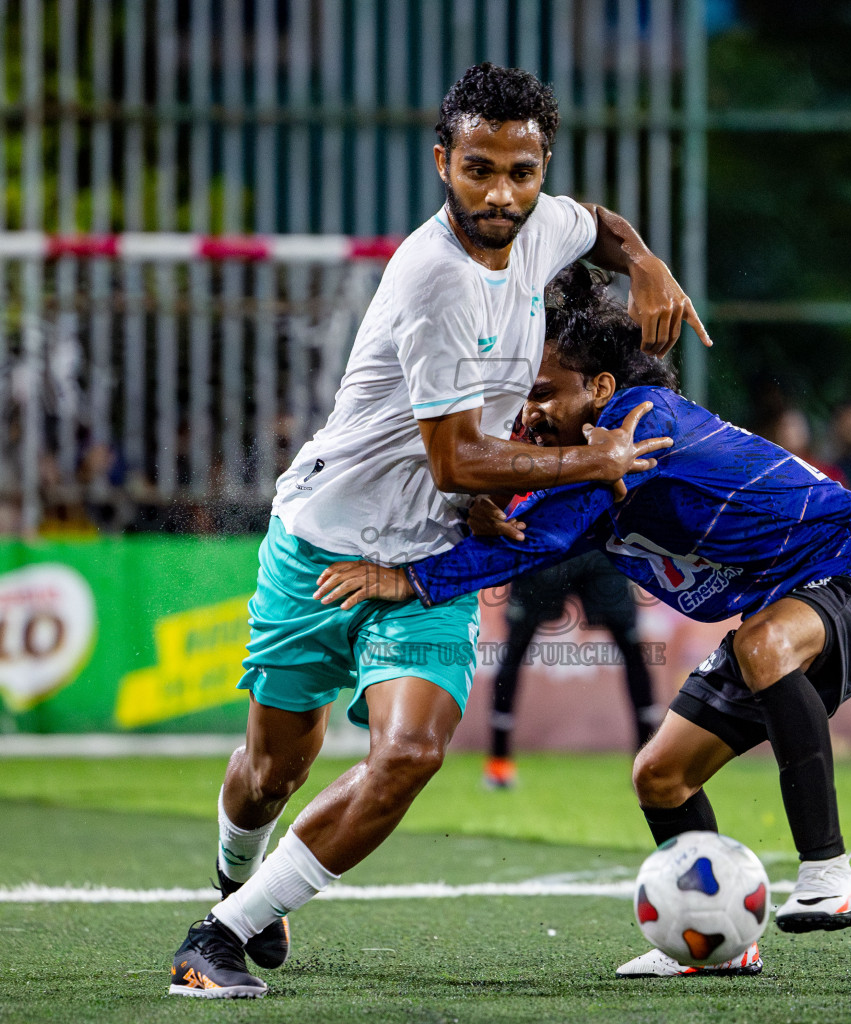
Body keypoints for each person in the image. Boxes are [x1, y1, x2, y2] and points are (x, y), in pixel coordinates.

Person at [167, 63, 709, 999]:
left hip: (429, 559)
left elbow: (606, 229)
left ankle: (219, 934)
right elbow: (460, 460)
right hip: (323, 543)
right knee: (269, 771)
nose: (501, 193)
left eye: (522, 171)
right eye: (478, 169)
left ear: (542, 166)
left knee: (411, 752)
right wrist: (594, 462)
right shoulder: (433, 280)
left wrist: (649, 264)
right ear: (441, 163)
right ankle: (235, 872)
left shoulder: (542, 227)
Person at [315, 274, 851, 980]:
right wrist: (479, 505)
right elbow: (508, 509)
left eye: (543, 393)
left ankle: (829, 875)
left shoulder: (640, 423)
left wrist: (412, 577)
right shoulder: (576, 455)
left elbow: (541, 534)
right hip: (785, 596)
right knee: (659, 777)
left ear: (600, 390)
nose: (529, 413)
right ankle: (715, 947)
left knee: (764, 644)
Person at [482, 548, 661, 788]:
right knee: (515, 645)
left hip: (597, 543)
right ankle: (498, 766)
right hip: (545, 543)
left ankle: (646, 766)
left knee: (632, 647)